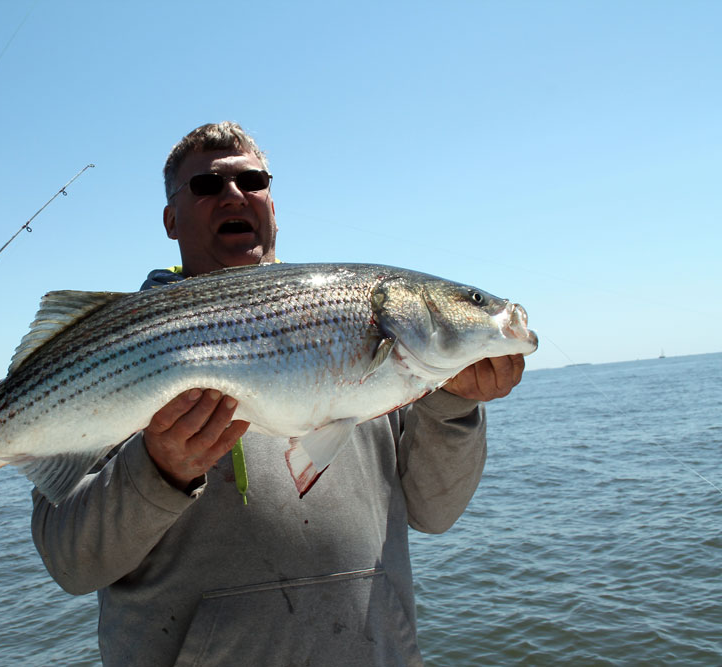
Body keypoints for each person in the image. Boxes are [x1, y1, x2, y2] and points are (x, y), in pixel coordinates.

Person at [32, 122, 525, 666]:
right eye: (207, 186)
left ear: (273, 204)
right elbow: (70, 563)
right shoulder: (106, 354)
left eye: (253, 180)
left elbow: (436, 513)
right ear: (171, 220)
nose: (234, 194)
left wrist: (453, 405)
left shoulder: (369, 343)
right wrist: (158, 470)